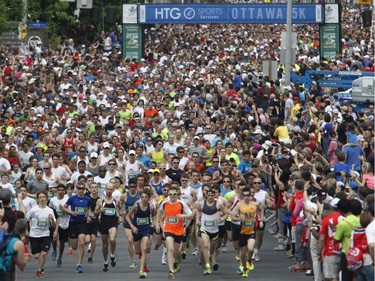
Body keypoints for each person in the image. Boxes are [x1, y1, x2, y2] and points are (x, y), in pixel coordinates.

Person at [157, 185, 193, 279]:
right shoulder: (164, 203)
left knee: (176, 252)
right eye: (170, 194)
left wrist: (183, 216)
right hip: (168, 229)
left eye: (174, 194)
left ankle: (176, 261)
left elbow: (191, 215)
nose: (172, 196)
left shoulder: (182, 204)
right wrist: (161, 226)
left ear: (178, 194)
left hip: (179, 230)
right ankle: (171, 270)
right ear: (168, 195)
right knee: (170, 248)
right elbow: (159, 214)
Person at [231, 187, 264, 277]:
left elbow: (261, 209)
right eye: (244, 195)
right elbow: (233, 217)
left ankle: (249, 260)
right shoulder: (239, 205)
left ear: (250, 195)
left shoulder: (255, 204)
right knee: (243, 253)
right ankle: (244, 268)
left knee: (250, 248)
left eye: (248, 195)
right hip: (242, 231)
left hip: (251, 231)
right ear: (242, 196)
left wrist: (261, 219)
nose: (246, 197)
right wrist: (239, 218)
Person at [195, 188, 228, 275]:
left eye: (212, 195)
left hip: (215, 230)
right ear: (206, 195)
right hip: (204, 229)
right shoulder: (201, 203)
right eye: (209, 195)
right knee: (205, 246)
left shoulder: (219, 204)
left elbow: (226, 214)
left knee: (212, 250)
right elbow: (198, 212)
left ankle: (207, 260)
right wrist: (197, 220)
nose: (210, 197)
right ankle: (207, 266)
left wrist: (221, 219)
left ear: (214, 195)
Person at [126, 188, 157, 278]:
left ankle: (141, 270)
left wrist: (155, 224)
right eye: (142, 197)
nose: (144, 199)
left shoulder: (151, 207)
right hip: (137, 229)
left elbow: (154, 215)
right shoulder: (136, 206)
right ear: (140, 197)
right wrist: (132, 226)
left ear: (149, 198)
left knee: (144, 249)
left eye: (146, 197)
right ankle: (139, 255)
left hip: (146, 229)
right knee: (137, 251)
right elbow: (127, 216)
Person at [26, 190, 57, 279]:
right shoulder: (34, 210)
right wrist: (26, 231)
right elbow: (26, 219)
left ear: (46, 198)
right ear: (37, 199)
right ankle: (41, 264)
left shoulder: (50, 210)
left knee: (43, 254)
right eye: (40, 197)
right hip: (34, 235)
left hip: (45, 235)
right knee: (36, 255)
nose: (42, 199)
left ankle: (39, 270)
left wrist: (51, 219)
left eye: (44, 197)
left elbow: (54, 226)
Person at [62, 182, 92, 273]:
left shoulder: (88, 199)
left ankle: (79, 264)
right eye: (79, 188)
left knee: (82, 242)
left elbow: (89, 208)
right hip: (73, 223)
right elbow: (64, 207)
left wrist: (89, 216)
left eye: (82, 188)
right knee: (74, 246)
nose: (81, 190)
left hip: (82, 223)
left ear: (85, 190)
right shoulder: (72, 198)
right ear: (76, 189)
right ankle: (72, 244)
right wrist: (71, 212)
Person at [95, 182, 121, 272]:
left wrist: (120, 215)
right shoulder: (100, 200)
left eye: (111, 189)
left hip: (113, 222)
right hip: (103, 223)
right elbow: (95, 213)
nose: (109, 191)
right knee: (105, 245)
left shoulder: (115, 200)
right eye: (107, 189)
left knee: (112, 239)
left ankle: (112, 255)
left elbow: (120, 210)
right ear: (105, 189)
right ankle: (105, 261)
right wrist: (99, 211)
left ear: (113, 190)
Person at [334, 199, 362, 281]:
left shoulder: (342, 223)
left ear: (339, 210)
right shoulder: (358, 219)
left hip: (346, 251)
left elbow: (336, 239)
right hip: (358, 251)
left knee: (346, 275)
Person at [119, 179, 140, 268]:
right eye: (130, 187)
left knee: (137, 241)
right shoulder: (124, 196)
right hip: (127, 220)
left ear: (136, 187)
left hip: (137, 220)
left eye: (134, 187)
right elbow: (119, 205)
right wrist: (121, 212)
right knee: (130, 240)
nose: (132, 188)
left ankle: (138, 252)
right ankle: (133, 261)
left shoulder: (140, 195)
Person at [48, 184, 70, 267]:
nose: (60, 192)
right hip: (55, 222)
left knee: (62, 242)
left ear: (64, 191)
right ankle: (54, 250)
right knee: (54, 238)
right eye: (59, 190)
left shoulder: (68, 200)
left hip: (65, 223)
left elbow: (70, 212)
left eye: (62, 190)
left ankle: (60, 256)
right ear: (57, 191)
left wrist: (64, 210)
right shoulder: (53, 200)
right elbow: (50, 210)